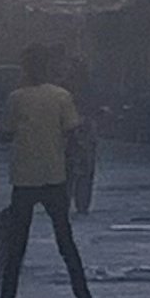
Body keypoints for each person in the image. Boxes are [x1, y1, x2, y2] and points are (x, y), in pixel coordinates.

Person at [0, 44, 97, 298]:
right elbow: (72, 131)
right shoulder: (61, 97)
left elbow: (5, 133)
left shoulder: (16, 98)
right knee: (66, 244)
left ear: (25, 69)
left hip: (24, 179)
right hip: (55, 178)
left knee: (16, 247)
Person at [62, 49, 100, 216]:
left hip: (69, 130)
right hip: (82, 130)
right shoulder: (90, 86)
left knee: (68, 169)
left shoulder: (63, 85)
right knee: (84, 169)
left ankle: (67, 201)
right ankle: (81, 204)